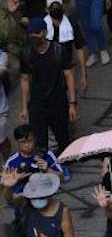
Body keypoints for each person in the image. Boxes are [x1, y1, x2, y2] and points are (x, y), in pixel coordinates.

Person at [18, 18, 77, 164]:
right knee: (39, 142)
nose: (33, 36)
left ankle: (66, 165)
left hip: (58, 101)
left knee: (63, 137)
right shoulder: (26, 53)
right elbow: (24, 79)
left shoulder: (58, 50)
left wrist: (72, 103)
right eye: (30, 33)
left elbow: (69, 76)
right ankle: (43, 170)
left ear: (44, 32)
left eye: (36, 33)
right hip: (37, 103)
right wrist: (25, 107)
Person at [3, 125, 63, 195]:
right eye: (22, 142)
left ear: (35, 139)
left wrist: (48, 169)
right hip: (21, 199)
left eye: (30, 141)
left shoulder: (47, 155)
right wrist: (9, 183)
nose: (26, 145)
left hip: (44, 195)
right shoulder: (11, 161)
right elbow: (4, 188)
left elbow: (62, 178)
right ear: (17, 143)